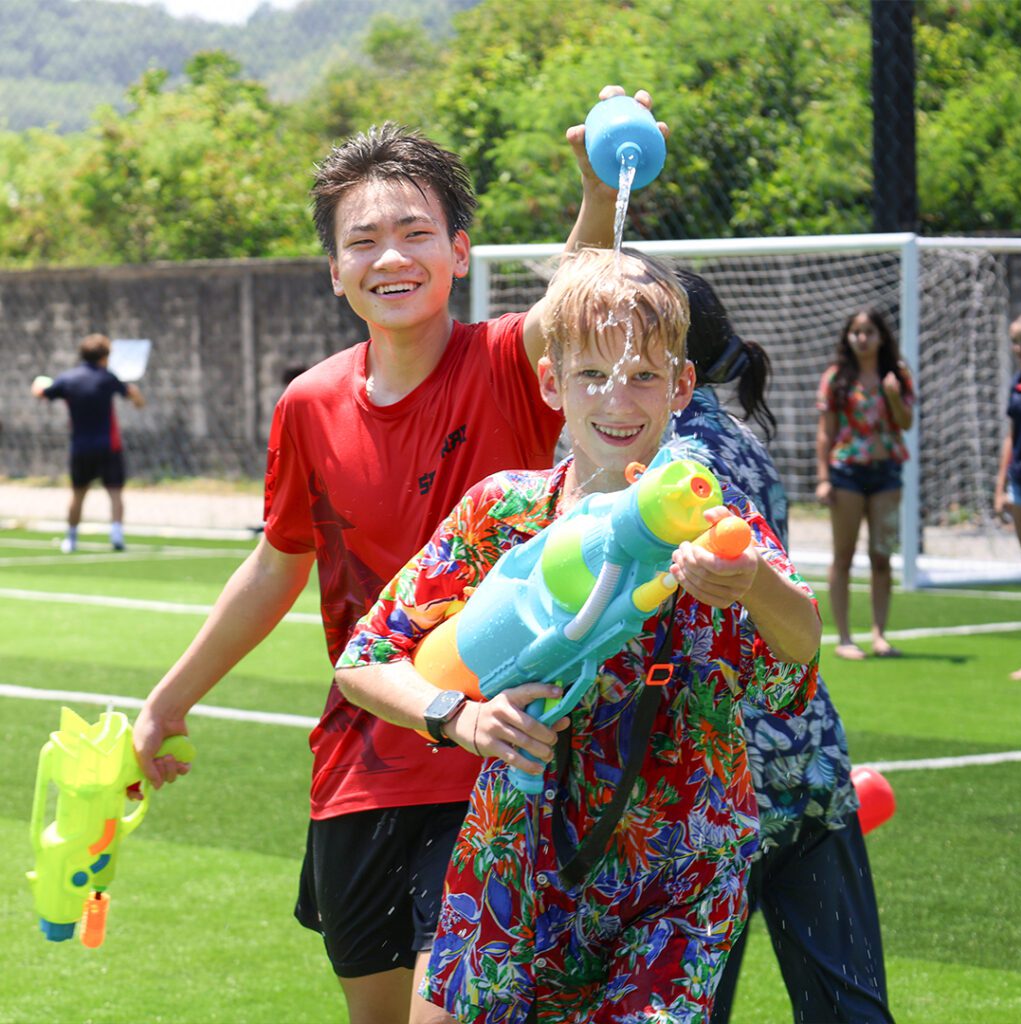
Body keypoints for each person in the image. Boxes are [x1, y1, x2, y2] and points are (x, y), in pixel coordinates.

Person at [132, 87, 662, 1024]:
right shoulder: (308, 404)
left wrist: (595, 193)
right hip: (359, 764)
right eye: (363, 241)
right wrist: (167, 701)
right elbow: (276, 565)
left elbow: (572, 301)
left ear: (459, 253)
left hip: (499, 756)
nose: (391, 257)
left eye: (416, 234)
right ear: (334, 271)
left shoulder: (508, 362)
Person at [335, 247, 821, 1024]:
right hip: (515, 857)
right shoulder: (504, 512)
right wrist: (459, 718)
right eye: (592, 374)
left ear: (682, 387)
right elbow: (365, 659)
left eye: (642, 376)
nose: (616, 399)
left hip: (677, 881)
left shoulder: (717, 523)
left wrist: (753, 580)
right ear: (551, 383)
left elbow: (798, 655)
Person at [670, 270, 893, 1023]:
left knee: (683, 1010)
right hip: (806, 755)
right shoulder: (741, 442)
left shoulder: (666, 465)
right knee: (848, 1007)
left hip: (712, 782)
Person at [815, 307, 914, 660]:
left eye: (869, 331)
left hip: (887, 472)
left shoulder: (897, 375)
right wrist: (823, 478)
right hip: (847, 473)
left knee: (881, 556)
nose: (862, 338)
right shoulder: (836, 377)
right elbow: (825, 432)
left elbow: (906, 422)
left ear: (881, 337)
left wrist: (892, 395)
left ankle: (879, 635)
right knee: (843, 556)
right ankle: (844, 638)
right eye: (856, 332)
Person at [31, 332, 145, 553]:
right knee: (115, 493)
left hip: (81, 447)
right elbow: (135, 398)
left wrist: (37, 385)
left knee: (78, 494)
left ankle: (71, 538)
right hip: (109, 446)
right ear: (104, 357)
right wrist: (137, 395)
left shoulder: (68, 379)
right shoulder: (108, 378)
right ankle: (117, 534)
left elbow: (41, 393)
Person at [995, 313, 1021, 681]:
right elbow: (1011, 435)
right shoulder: (1017, 382)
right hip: (1020, 482)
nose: (1019, 348)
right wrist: (1000, 485)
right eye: (1015, 341)